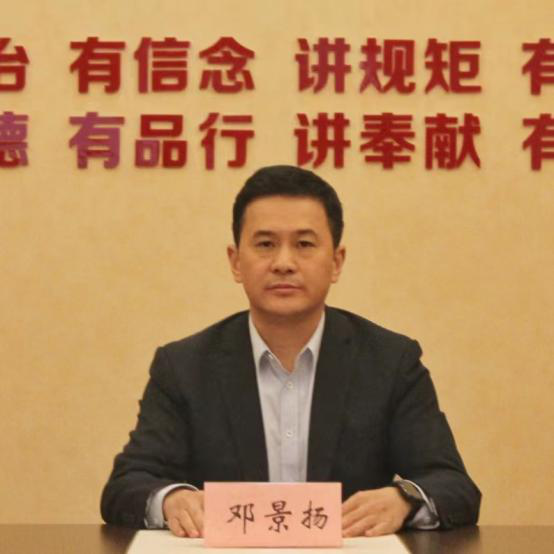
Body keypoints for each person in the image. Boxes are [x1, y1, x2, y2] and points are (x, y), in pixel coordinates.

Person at [101, 165, 481, 538]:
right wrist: (172, 499)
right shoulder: (184, 367)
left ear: (336, 262)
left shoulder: (390, 361)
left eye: (304, 244)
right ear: (236, 262)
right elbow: (126, 485)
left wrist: (404, 500)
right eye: (265, 244)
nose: (283, 263)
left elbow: (453, 485)